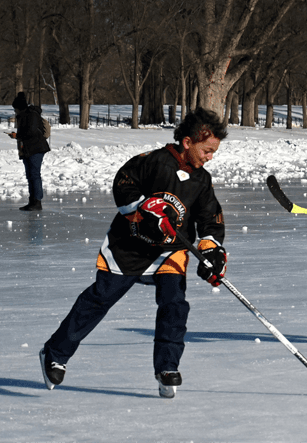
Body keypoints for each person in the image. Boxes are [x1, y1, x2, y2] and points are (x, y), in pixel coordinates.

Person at [38, 107, 229, 398]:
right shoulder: (152, 162)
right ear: (188, 142)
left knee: (174, 305)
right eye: (207, 150)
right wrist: (141, 209)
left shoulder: (202, 181)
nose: (210, 157)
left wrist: (212, 250)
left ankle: (167, 367)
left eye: (214, 152)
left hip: (170, 252)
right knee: (99, 299)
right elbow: (123, 184)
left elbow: (209, 218)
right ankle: (55, 352)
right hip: (130, 245)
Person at [8, 92, 49, 212]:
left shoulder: (31, 115)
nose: (15, 111)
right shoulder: (23, 115)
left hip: (36, 148)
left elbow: (31, 132)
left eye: (15, 109)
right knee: (30, 175)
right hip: (28, 149)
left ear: (19, 107)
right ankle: (32, 201)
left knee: (35, 175)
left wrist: (17, 135)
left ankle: (37, 201)